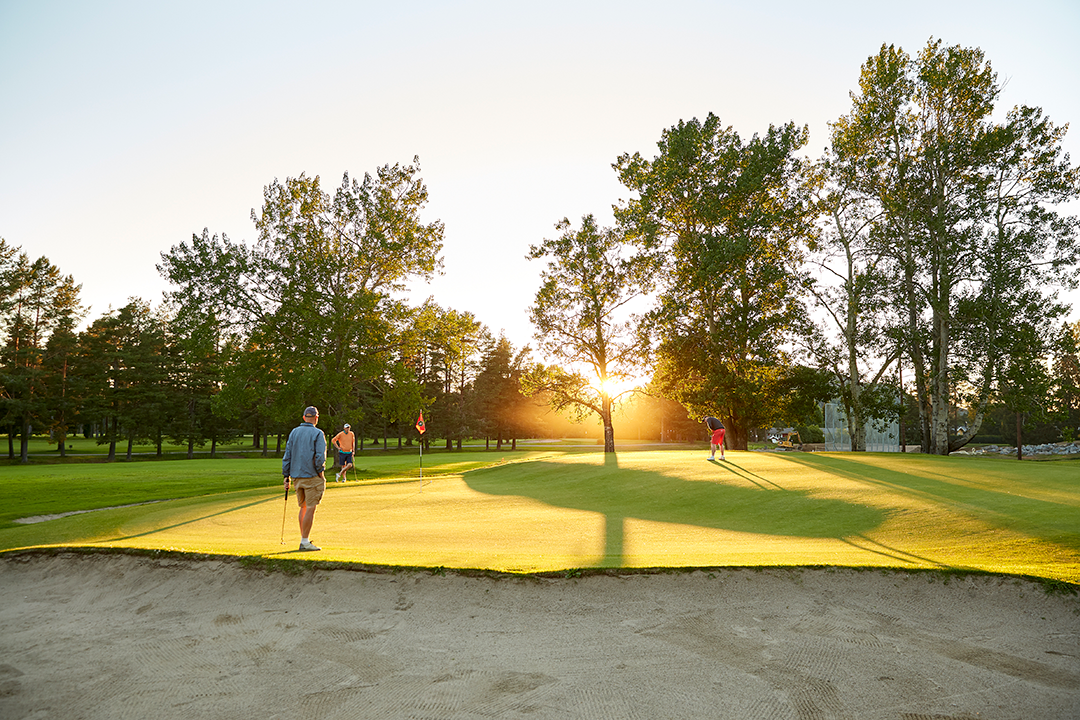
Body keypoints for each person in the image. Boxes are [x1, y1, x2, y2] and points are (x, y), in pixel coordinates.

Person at [283, 406, 327, 551]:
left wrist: (286, 476)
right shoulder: (318, 433)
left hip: (296, 477)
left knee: (303, 507)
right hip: (311, 475)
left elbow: (287, 455)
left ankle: (304, 539)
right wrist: (320, 472)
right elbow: (320, 457)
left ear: (304, 417)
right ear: (316, 418)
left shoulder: (294, 432)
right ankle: (305, 541)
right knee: (310, 508)